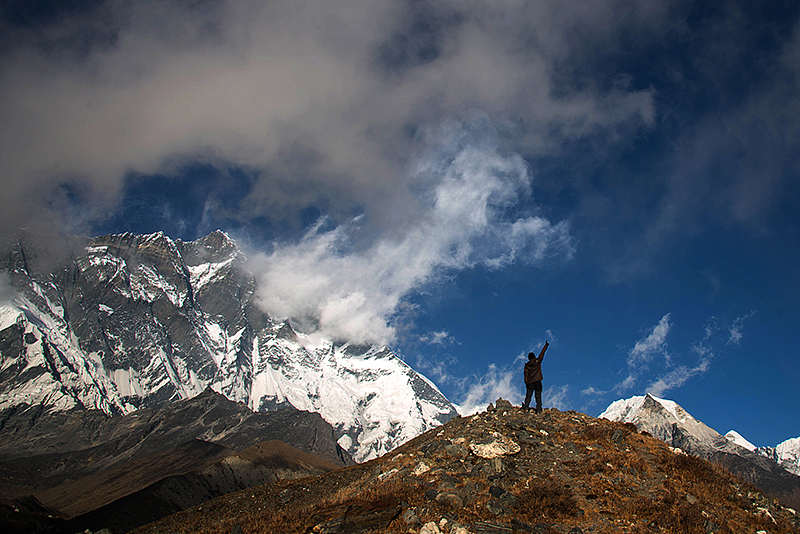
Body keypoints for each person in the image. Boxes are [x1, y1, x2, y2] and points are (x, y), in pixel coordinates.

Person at [522, 341, 548, 412]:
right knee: (538, 396)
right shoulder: (538, 361)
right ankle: (539, 409)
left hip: (530, 383)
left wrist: (526, 383)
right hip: (538, 381)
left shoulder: (527, 365)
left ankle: (526, 407)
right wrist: (546, 346)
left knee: (528, 396)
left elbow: (526, 375)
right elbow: (542, 354)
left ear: (529, 358)